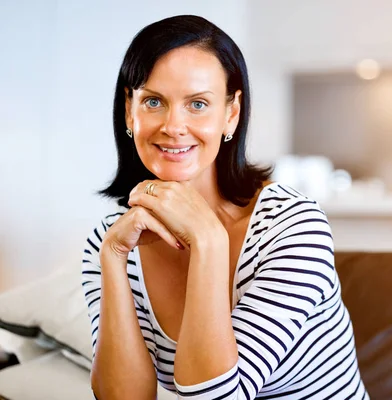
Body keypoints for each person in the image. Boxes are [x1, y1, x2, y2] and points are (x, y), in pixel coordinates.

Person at [81, 15, 369, 400]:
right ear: (130, 110)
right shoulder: (111, 239)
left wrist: (208, 240)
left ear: (230, 113)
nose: (173, 125)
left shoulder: (292, 227)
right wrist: (114, 258)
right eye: (153, 101)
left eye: (197, 104)